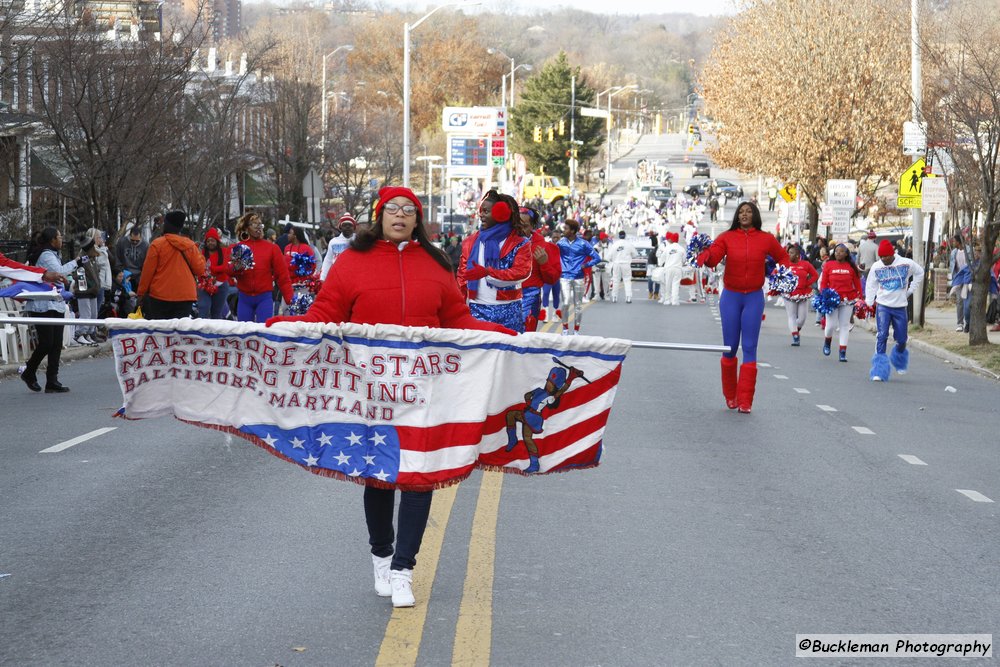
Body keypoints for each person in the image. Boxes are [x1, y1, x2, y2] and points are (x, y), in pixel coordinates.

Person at [265, 186, 512, 609]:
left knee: (418, 478)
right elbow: (324, 315)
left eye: (409, 211)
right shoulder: (351, 263)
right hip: (369, 393)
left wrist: (505, 336)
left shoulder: (435, 263)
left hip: (424, 393)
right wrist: (283, 327)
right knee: (379, 478)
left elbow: (457, 320)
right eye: (392, 209)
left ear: (418, 221)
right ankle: (381, 556)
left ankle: (403, 570)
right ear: (378, 216)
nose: (400, 216)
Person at [696, 201, 789, 413]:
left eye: (748, 212)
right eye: (741, 212)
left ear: (755, 215)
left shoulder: (766, 239)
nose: (744, 215)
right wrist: (704, 256)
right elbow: (714, 258)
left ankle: (745, 400)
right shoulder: (726, 237)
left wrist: (781, 274)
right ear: (737, 217)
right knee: (729, 347)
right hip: (731, 297)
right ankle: (730, 396)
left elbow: (783, 257)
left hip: (754, 298)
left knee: (749, 347)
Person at [457, 190, 532, 332]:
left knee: (509, 352)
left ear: (501, 214)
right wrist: (458, 309)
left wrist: (488, 272)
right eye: (481, 210)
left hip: (509, 310)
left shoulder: (519, 243)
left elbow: (521, 272)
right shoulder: (470, 242)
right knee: (479, 353)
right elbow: (462, 279)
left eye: (486, 211)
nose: (481, 214)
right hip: (477, 310)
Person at [20, 227, 81, 393]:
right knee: (47, 343)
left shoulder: (53, 254)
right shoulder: (46, 255)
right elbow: (59, 272)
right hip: (42, 305)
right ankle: (29, 371)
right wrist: (77, 261)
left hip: (56, 302)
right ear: (52, 240)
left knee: (56, 344)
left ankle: (52, 380)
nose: (62, 239)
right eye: (59, 236)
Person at [864, 240, 924, 381]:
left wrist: (910, 291)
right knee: (882, 335)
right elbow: (871, 284)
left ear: (892, 254)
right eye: (881, 257)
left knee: (902, 339)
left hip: (900, 307)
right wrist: (869, 302)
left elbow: (920, 272)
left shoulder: (906, 263)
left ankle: (899, 360)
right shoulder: (876, 267)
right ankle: (879, 370)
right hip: (883, 306)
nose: (883, 259)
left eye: (886, 256)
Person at [136, 210, 207, 320]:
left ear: (166, 225)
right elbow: (200, 270)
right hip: (185, 296)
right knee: (179, 333)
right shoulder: (190, 246)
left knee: (160, 332)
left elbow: (147, 273)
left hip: (160, 296)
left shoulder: (157, 245)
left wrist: (141, 294)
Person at [231, 212, 293, 323]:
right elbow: (228, 271)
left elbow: (283, 276)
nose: (258, 227)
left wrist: (290, 300)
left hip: (264, 298)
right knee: (245, 332)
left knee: (265, 330)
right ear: (246, 227)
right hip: (244, 298)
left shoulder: (272, 248)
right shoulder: (238, 247)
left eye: (260, 224)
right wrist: (237, 267)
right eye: (254, 224)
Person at [517, 206, 561, 331]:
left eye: (524, 226)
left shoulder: (543, 247)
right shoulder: (503, 243)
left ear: (532, 227)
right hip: (505, 299)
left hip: (529, 297)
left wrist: (544, 264)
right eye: (517, 225)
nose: (520, 230)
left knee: (525, 339)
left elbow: (552, 279)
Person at [556, 219, 602, 336]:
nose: (564, 231)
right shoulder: (560, 243)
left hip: (579, 278)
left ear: (572, 230)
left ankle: (576, 330)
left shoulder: (583, 244)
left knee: (578, 305)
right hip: (564, 277)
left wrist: (585, 265)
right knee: (565, 303)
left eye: (566, 229)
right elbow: (553, 256)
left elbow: (597, 258)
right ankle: (565, 329)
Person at [819, 243, 863, 361]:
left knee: (844, 325)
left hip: (847, 299)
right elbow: (823, 282)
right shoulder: (829, 265)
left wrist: (860, 297)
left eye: (842, 251)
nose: (838, 253)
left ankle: (842, 351)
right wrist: (824, 295)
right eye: (837, 250)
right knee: (830, 326)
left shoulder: (851, 266)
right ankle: (827, 341)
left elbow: (857, 283)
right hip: (831, 299)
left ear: (846, 253)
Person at [782, 244, 818, 345]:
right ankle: (795, 336)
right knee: (792, 316)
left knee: (802, 318)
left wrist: (807, 283)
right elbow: (777, 275)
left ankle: (795, 329)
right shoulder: (785, 264)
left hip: (803, 293)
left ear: (798, 255)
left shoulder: (805, 264)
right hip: (790, 293)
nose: (789, 255)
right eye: (788, 253)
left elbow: (815, 275)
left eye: (792, 253)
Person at [71, 234, 101, 345]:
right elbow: (78, 274)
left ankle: (89, 332)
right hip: (84, 291)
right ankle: (80, 334)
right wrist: (86, 288)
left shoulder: (91, 258)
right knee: (86, 314)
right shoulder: (82, 258)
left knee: (93, 314)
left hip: (92, 291)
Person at [197, 228, 232, 319]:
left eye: (212, 240)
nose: (210, 243)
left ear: (217, 241)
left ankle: (215, 332)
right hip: (205, 285)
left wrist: (209, 269)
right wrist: (208, 274)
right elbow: (199, 268)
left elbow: (224, 267)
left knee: (216, 312)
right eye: (208, 241)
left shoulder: (224, 251)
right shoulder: (202, 253)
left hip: (221, 286)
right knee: (204, 307)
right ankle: (201, 330)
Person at [320, 213, 357, 280]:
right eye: (345, 225)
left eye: (350, 225)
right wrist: (322, 278)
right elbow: (328, 260)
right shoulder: (334, 242)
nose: (347, 227)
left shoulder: (359, 240)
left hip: (355, 276)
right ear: (340, 227)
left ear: (354, 227)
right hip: (338, 277)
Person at [607, 230, 638, 304]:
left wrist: (614, 259)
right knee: (627, 280)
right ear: (625, 236)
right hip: (626, 263)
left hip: (616, 264)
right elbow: (635, 254)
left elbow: (609, 256)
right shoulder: (629, 244)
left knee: (616, 280)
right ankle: (628, 297)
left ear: (619, 236)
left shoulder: (614, 244)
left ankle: (614, 297)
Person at [115, 224, 148, 290]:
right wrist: (120, 271)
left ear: (140, 237)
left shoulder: (145, 245)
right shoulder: (122, 242)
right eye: (132, 240)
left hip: (138, 277)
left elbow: (146, 263)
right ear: (129, 236)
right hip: (125, 274)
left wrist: (142, 276)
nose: (135, 242)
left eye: (137, 241)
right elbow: (118, 258)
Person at [658, 232, 685, 306]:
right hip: (678, 268)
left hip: (668, 268)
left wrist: (660, 265)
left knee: (668, 284)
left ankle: (667, 300)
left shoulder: (668, 248)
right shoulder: (681, 248)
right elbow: (684, 260)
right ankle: (675, 301)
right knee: (675, 284)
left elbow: (662, 258)